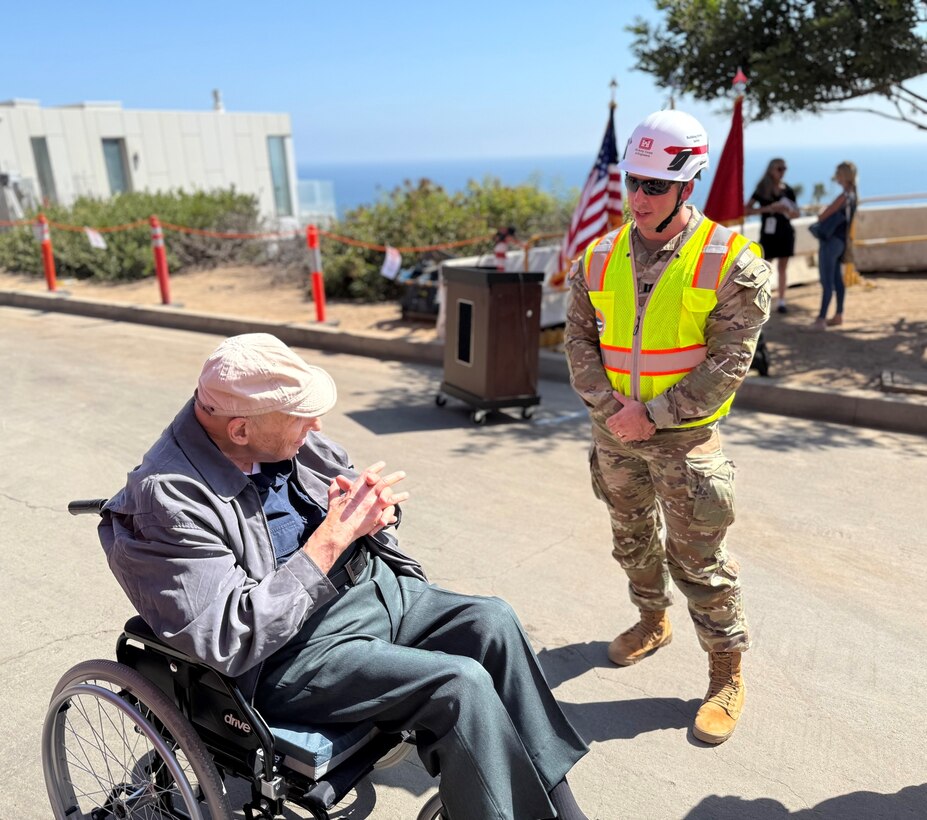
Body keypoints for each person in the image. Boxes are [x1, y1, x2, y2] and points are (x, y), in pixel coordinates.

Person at [99, 333, 589, 820]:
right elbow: (228, 636)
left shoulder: (290, 436)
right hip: (291, 653)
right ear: (241, 430)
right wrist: (331, 539)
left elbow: (349, 490)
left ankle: (559, 809)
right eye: (301, 417)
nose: (316, 424)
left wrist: (375, 513)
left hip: (370, 591)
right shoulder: (169, 499)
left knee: (494, 621)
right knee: (458, 685)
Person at [564, 110, 772, 745]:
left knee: (701, 562)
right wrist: (612, 411)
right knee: (631, 540)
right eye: (633, 181)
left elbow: (730, 363)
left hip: (683, 439)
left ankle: (726, 673)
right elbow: (577, 339)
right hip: (613, 433)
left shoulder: (732, 260)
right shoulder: (597, 257)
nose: (638, 197)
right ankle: (652, 621)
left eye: (655, 185)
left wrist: (648, 416)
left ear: (689, 185)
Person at [745, 158, 800, 313]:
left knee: (783, 267)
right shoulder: (762, 189)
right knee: (765, 267)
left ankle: (782, 301)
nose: (782, 172)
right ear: (771, 170)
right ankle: (763, 300)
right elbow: (747, 210)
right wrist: (769, 208)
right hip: (768, 235)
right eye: (779, 169)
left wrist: (786, 210)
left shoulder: (788, 190)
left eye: (784, 169)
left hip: (785, 232)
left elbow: (797, 213)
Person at [809, 161, 858, 330]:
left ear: (842, 175)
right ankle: (838, 314)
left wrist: (823, 210)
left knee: (827, 281)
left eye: (837, 173)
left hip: (830, 242)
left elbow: (822, 217)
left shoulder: (843, 196)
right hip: (841, 242)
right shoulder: (852, 195)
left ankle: (821, 319)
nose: (835, 176)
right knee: (837, 280)